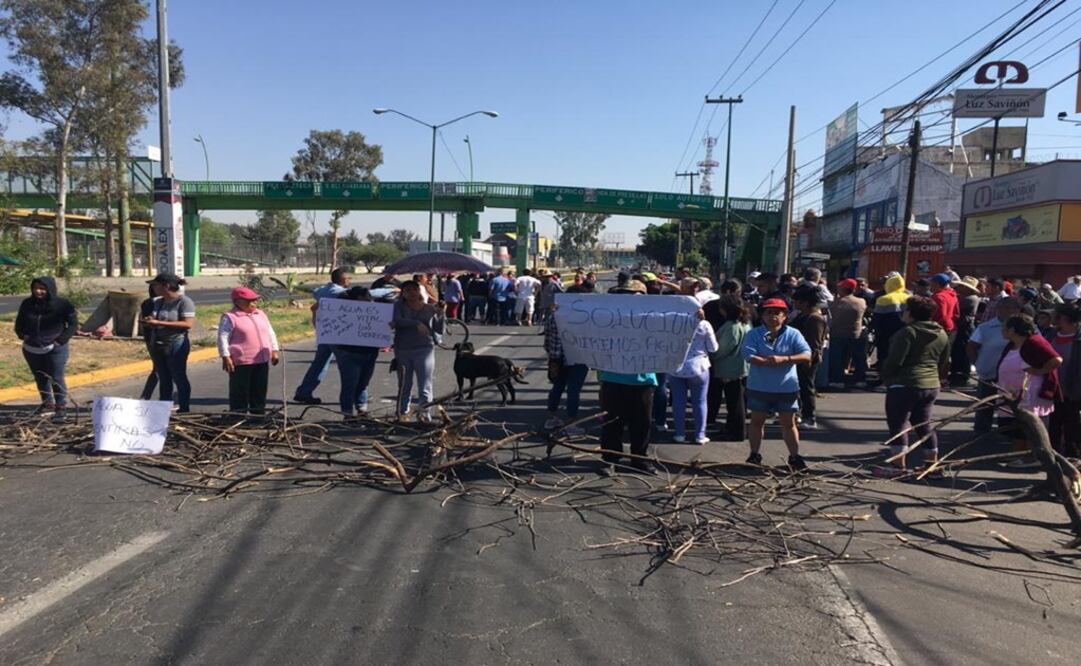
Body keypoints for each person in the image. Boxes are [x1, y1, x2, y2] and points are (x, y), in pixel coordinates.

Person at [876, 296, 950, 477]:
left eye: (905, 309)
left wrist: (885, 376)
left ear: (911, 313)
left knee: (899, 424)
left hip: (905, 383)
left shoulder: (907, 332)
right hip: (931, 384)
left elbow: (895, 360)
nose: (903, 312)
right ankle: (931, 465)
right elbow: (944, 360)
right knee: (924, 424)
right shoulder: (941, 333)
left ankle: (897, 466)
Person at [741, 298, 813, 470]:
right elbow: (748, 355)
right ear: (763, 315)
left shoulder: (793, 334)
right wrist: (766, 361)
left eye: (777, 313)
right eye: (769, 312)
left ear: (785, 316)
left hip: (786, 387)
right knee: (757, 421)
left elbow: (806, 355)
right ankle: (754, 454)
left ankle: (794, 456)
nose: (773, 316)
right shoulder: (754, 333)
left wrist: (785, 359)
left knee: (789, 423)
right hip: (760, 386)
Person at [597, 279, 658, 474]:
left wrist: (697, 317)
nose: (628, 299)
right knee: (612, 423)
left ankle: (639, 459)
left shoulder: (654, 319)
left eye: (632, 295)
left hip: (643, 380)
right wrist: (562, 313)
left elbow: (677, 329)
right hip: (613, 378)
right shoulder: (607, 318)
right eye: (624, 294)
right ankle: (611, 459)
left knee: (642, 423)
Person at [997, 314, 1063, 467]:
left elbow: (1056, 360)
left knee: (1030, 426)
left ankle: (1033, 458)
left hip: (1031, 392)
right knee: (1019, 425)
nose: (1002, 330)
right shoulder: (1014, 344)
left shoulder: (1034, 341)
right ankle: (1018, 454)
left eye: (1004, 327)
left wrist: (1040, 370)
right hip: (1014, 392)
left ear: (1012, 330)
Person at [14, 276, 77, 418]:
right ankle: (47, 404)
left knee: (56, 377)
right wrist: (23, 335)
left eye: (42, 288)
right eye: (36, 288)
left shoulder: (63, 304)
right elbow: (19, 323)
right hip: (31, 348)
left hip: (55, 348)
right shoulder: (27, 304)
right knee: (40, 377)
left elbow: (73, 325)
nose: (38, 291)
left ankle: (61, 407)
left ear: (50, 289)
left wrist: (60, 341)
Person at [217, 287, 280, 414]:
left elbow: (270, 332)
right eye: (248, 301)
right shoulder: (230, 317)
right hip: (242, 361)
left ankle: (258, 417)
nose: (253, 304)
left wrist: (274, 350)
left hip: (261, 359)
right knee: (240, 392)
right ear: (237, 302)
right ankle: (238, 417)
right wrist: (225, 356)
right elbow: (222, 337)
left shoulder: (260, 314)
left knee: (259, 390)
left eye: (255, 300)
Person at [293, 267, 350, 404]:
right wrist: (389, 290)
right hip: (338, 333)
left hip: (326, 332)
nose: (350, 281)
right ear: (343, 279)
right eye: (349, 278)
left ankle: (304, 391)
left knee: (320, 363)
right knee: (348, 366)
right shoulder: (340, 292)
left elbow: (315, 304)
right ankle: (354, 394)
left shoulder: (322, 291)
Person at [392, 280, 446, 422]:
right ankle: (403, 413)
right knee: (404, 384)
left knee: (425, 385)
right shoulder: (398, 306)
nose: (412, 293)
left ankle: (424, 414)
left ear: (419, 291)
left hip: (424, 350)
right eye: (408, 290)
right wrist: (416, 323)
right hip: (402, 350)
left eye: (414, 290)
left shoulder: (429, 308)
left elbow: (439, 330)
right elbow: (397, 320)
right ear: (403, 294)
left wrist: (440, 314)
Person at [142, 273, 195, 412]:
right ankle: (164, 409)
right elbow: (155, 318)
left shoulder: (184, 302)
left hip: (176, 344)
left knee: (179, 376)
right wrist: (150, 321)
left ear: (166, 286)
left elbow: (188, 324)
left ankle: (184, 408)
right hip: (158, 343)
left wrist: (158, 322)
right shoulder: (158, 302)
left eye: (156, 284)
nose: (153, 287)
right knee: (164, 378)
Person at [967, 297, 1020, 433]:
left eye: (1010, 308)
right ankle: (981, 433)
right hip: (989, 373)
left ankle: (1012, 433)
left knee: (1013, 407)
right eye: (1002, 308)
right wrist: (978, 364)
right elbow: (971, 346)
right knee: (985, 405)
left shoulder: (1026, 327)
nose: (1005, 311)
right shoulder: (985, 327)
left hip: (1015, 377)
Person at [669, 307, 719, 445]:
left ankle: (679, 434)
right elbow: (713, 348)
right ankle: (700, 435)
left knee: (678, 402)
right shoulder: (704, 325)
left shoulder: (671, 323)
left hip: (675, 366)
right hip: (699, 366)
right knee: (700, 402)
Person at [332, 286, 381, 417]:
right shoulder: (344, 312)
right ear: (357, 298)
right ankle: (347, 413)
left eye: (369, 297)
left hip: (369, 353)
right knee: (349, 384)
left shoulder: (375, 312)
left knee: (363, 383)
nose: (369, 300)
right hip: (349, 353)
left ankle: (361, 409)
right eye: (366, 297)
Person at [542, 303, 589, 436]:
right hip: (578, 358)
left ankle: (551, 418)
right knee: (573, 390)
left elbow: (547, 338)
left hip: (557, 358)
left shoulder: (553, 316)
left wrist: (551, 356)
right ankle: (571, 422)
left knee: (557, 387)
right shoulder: (583, 317)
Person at [708, 298, 751, 441]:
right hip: (741, 366)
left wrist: (711, 354)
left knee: (735, 403)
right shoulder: (745, 324)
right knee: (735, 401)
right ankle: (731, 428)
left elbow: (724, 348)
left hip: (731, 368)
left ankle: (736, 432)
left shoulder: (732, 326)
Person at [791, 286, 827, 429]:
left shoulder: (814, 319)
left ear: (805, 302)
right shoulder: (803, 315)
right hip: (799, 356)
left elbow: (814, 343)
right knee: (799, 386)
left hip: (808, 359)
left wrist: (808, 360)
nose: (794, 303)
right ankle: (799, 414)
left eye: (797, 301)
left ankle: (809, 417)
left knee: (807, 387)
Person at [1049, 304, 1081, 457]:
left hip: (1074, 391)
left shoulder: (1079, 339)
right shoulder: (1051, 335)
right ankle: (1053, 457)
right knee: (1053, 425)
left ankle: (1072, 458)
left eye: (1057, 316)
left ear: (1065, 319)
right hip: (1052, 389)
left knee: (1072, 426)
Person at [828, 278, 867, 389]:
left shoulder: (836, 303)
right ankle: (860, 379)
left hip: (838, 333)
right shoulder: (861, 302)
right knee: (858, 357)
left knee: (837, 357)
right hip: (856, 333)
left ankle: (837, 380)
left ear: (843, 288)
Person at [872, 273, 908, 370]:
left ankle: (884, 379)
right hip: (905, 332)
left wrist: (876, 331)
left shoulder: (883, 299)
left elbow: (877, 318)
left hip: (885, 333)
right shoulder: (909, 297)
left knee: (884, 356)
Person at [950, 277, 981, 386]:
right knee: (956, 351)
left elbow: (956, 306)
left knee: (962, 352)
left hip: (966, 328)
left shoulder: (971, 298)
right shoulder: (963, 297)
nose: (960, 287)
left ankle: (962, 376)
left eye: (963, 286)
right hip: (961, 326)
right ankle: (956, 373)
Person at [138, 285, 159, 400]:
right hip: (154, 339)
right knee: (159, 370)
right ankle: (146, 397)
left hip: (152, 339)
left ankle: (146, 397)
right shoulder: (151, 303)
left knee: (159, 370)